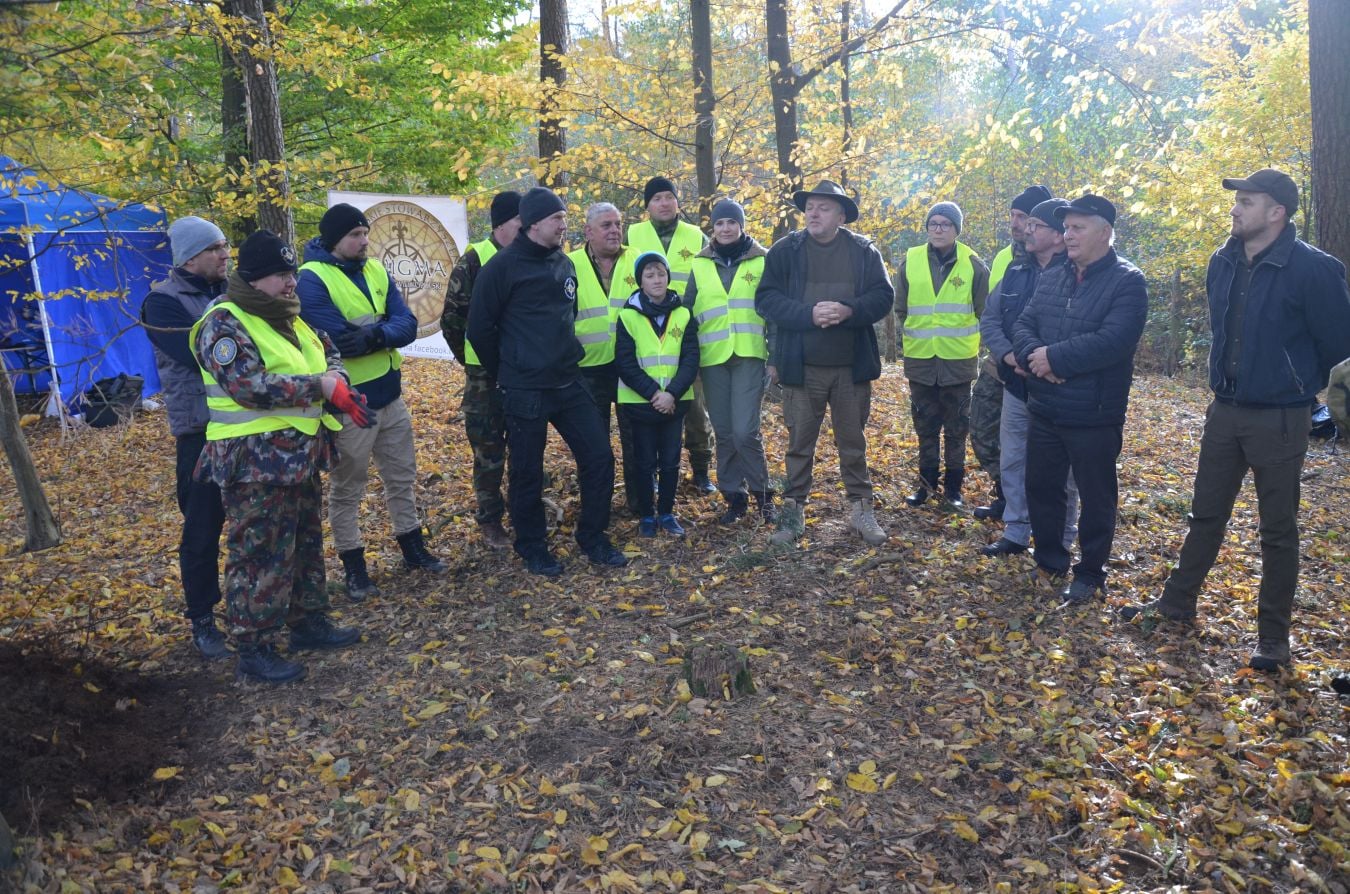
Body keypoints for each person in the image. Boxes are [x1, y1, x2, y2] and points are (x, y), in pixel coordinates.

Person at [1120, 169, 1350, 670]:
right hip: (1223, 412)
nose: (1235, 208)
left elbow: (1340, 349)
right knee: (1204, 514)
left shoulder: (1314, 270)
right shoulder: (1221, 262)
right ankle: (1176, 604)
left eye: (1247, 201)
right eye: (1236, 200)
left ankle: (1273, 639)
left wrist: (1309, 395)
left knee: (1278, 530)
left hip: (1282, 418)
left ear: (1277, 212)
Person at [191, 230, 363, 684]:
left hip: (298, 456)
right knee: (258, 554)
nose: (291, 283)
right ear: (253, 278)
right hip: (253, 462)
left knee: (305, 545)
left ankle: (308, 622)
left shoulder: (289, 316)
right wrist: (320, 387)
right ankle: (255, 646)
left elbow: (329, 354)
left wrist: (338, 382)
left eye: (291, 273)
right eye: (281, 276)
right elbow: (245, 385)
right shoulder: (224, 321)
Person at [467, 186, 628, 576]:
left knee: (599, 456)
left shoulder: (563, 263)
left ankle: (593, 536)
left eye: (565, 219)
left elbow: (566, 316)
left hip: (569, 382)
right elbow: (478, 329)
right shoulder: (501, 268)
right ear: (535, 223)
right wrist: (509, 370)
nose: (564, 226)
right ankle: (532, 546)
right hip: (524, 389)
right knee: (526, 471)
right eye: (558, 219)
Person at [298, 203, 446, 602]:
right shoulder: (311, 278)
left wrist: (375, 335)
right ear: (334, 240)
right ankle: (354, 567)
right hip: (350, 404)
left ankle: (412, 547)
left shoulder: (377, 269)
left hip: (390, 394)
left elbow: (408, 324)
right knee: (349, 487)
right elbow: (335, 337)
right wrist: (383, 330)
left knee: (402, 477)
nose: (364, 241)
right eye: (355, 235)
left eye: (365, 234)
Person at [1012, 194, 1148, 605]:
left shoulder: (1128, 280)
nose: (1067, 235)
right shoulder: (1054, 274)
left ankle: (1090, 573)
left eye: (1077, 227)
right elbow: (1023, 323)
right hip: (1046, 406)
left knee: (1096, 496)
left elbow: (1115, 341)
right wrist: (1036, 359)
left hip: (1094, 412)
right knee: (1042, 486)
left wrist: (1054, 357)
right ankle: (1051, 559)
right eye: (1066, 227)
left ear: (1105, 232)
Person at [754, 179, 895, 546]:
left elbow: (883, 297)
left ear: (841, 215)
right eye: (810, 207)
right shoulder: (785, 251)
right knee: (799, 443)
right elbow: (766, 299)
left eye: (823, 207)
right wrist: (808, 314)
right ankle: (792, 513)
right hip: (802, 367)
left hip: (851, 367)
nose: (813, 214)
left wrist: (849, 310)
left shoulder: (864, 251)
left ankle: (861, 510)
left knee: (853, 442)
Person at [142, 216, 231, 658]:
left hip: (244, 427)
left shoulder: (234, 293)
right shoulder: (161, 304)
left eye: (225, 246)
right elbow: (202, 355)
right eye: (216, 247)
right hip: (199, 432)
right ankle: (202, 618)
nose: (224, 253)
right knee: (202, 530)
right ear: (191, 256)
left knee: (255, 523)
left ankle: (256, 605)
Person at [979, 198, 1079, 558]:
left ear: (1057, 235)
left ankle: (1061, 538)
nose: (1026, 229)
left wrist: (1048, 362)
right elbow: (990, 320)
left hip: (1060, 388)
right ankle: (1017, 531)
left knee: (1062, 471)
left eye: (1035, 224)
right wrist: (1008, 355)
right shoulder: (1015, 273)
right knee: (1013, 459)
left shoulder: (1078, 272)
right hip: (1017, 384)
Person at [685, 198, 776, 524]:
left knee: (745, 432)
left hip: (750, 355)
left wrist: (774, 357)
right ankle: (734, 497)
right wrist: (687, 361)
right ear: (713, 227)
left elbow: (774, 313)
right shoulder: (699, 264)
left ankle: (764, 495)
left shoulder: (762, 260)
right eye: (719, 223)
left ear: (741, 226)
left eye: (731, 223)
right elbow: (689, 314)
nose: (725, 229)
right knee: (724, 432)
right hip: (712, 360)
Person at [440, 191, 520, 550]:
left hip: (522, 373)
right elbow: (452, 320)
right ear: (503, 223)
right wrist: (474, 360)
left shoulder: (528, 256)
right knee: (488, 453)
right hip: (484, 377)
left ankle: (523, 512)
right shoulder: (475, 260)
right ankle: (490, 520)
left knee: (524, 446)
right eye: (521, 221)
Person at [627, 176, 716, 493]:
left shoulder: (696, 236)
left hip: (686, 331)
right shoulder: (633, 234)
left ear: (678, 202)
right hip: (646, 334)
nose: (664, 203)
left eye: (669, 197)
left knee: (693, 406)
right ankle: (650, 475)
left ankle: (701, 470)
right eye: (656, 198)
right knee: (648, 403)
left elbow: (711, 280)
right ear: (647, 206)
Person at [898, 201, 990, 508]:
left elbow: (984, 311)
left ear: (956, 229)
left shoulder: (973, 264)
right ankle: (925, 487)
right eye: (933, 224)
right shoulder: (910, 260)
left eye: (945, 224)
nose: (938, 229)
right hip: (921, 360)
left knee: (956, 428)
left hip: (958, 363)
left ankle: (953, 490)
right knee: (925, 426)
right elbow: (902, 308)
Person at [972, 184, 1052, 520]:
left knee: (1034, 443)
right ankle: (1006, 495)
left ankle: (1031, 507)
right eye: (1014, 216)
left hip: (1042, 369)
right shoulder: (1008, 260)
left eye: (1025, 218)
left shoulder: (1060, 262)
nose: (1017, 224)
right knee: (982, 429)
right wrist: (1005, 354)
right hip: (1001, 363)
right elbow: (991, 314)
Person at [615, 252, 700, 537]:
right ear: (640, 281)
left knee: (671, 460)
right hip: (640, 403)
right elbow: (625, 363)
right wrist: (655, 394)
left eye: (660, 273)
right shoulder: (627, 316)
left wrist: (671, 393)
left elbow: (691, 358)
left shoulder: (684, 313)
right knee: (644, 461)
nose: (656, 280)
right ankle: (647, 516)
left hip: (675, 403)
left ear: (668, 276)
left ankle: (666, 512)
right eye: (649, 275)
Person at [566, 203, 640, 512]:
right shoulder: (568, 265)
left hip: (631, 369)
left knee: (637, 442)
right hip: (587, 370)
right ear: (588, 231)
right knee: (593, 446)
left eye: (617, 224)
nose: (614, 230)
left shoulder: (637, 261)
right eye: (606, 225)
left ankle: (640, 504)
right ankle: (596, 507)